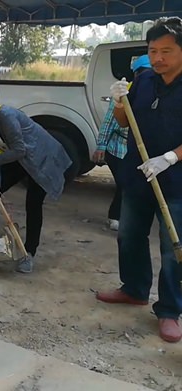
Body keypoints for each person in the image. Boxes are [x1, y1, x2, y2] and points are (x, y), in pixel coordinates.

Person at [96, 17, 182, 343]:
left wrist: (170, 157)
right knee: (129, 235)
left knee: (174, 247)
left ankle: (171, 310)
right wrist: (120, 101)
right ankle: (134, 289)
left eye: (167, 51)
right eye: (153, 50)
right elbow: (124, 121)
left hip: (176, 181)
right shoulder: (143, 79)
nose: (158, 58)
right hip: (139, 173)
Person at [0, 81, 72, 273]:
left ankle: (29, 252)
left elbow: (19, 151)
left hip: (41, 159)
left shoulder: (4, 116)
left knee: (33, 204)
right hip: (23, 159)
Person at [91, 55, 152, 231]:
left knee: (134, 185)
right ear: (137, 75)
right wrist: (101, 145)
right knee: (125, 184)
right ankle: (115, 217)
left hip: (139, 150)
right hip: (118, 149)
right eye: (145, 74)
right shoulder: (126, 94)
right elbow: (109, 122)